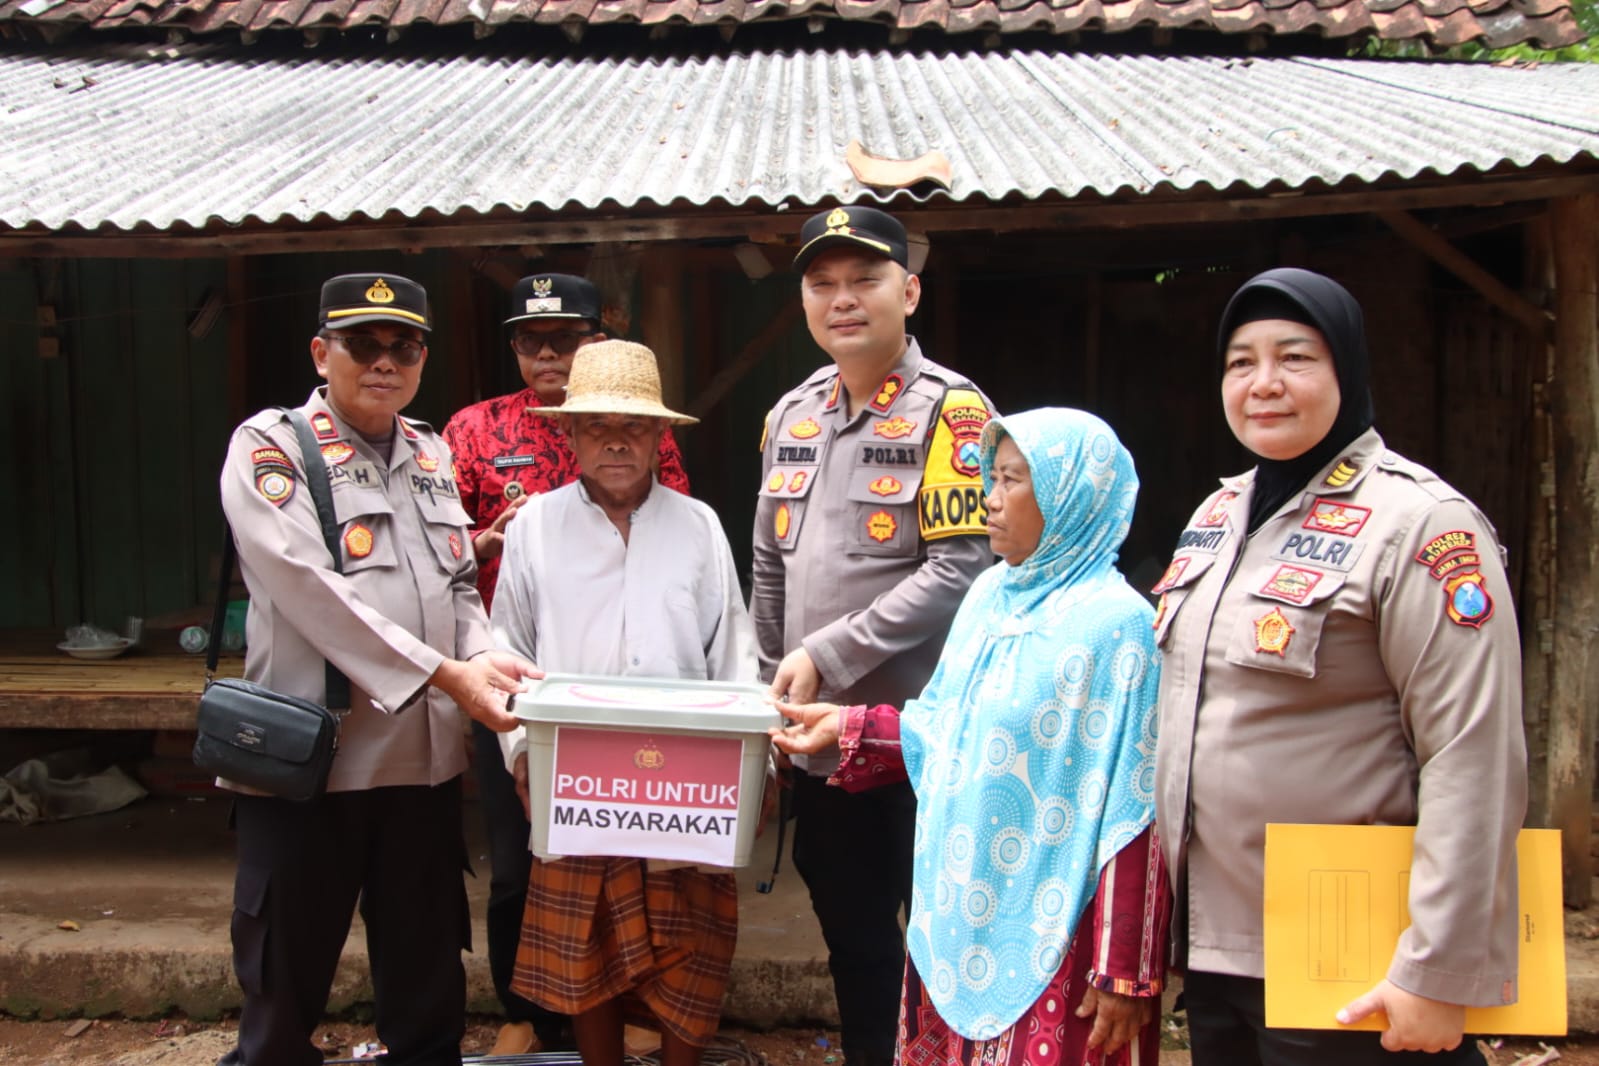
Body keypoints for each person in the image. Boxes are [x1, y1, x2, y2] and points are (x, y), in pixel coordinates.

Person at [1152, 268, 1527, 1064]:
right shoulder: (1217, 513)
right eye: (1240, 362)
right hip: (1217, 945)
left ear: (1346, 369)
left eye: (1294, 357)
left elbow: (1472, 754)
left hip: (1349, 948)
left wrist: (1436, 968)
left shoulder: (1419, 523)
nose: (1263, 383)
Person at [770, 408, 1170, 1066]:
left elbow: (1136, 806)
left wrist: (1124, 969)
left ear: (1069, 497)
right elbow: (948, 731)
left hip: (1057, 924)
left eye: (1013, 480)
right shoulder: (988, 596)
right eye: (993, 477)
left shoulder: (1118, 627)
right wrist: (847, 727)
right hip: (959, 911)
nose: (990, 497)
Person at [215, 273, 540, 1066]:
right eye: (362, 344)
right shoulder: (272, 447)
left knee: (426, 975)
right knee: (283, 979)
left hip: (419, 764)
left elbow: (457, 582)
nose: (384, 361)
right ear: (321, 353)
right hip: (309, 763)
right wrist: (445, 673)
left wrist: (480, 652)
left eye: (405, 346)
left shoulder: (429, 450)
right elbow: (307, 589)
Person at [750, 204, 996, 1066]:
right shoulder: (790, 415)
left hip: (919, 743)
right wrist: (771, 687)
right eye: (822, 285)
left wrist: (825, 654)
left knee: (941, 940)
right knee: (853, 941)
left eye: (864, 280)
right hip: (819, 747)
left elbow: (962, 565)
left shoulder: (952, 412)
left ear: (910, 292)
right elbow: (769, 566)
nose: (842, 300)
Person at [490, 339, 759, 1066]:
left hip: (689, 781)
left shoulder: (698, 524)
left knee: (692, 945)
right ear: (569, 435)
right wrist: (521, 754)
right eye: (597, 426)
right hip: (576, 778)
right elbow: (506, 651)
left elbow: (733, 653)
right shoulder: (535, 527)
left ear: (659, 436)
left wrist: (753, 770)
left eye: (634, 426)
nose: (615, 441)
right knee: (589, 947)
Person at [442, 272, 689, 1055]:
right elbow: (438, 547)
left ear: (595, 341)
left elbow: (672, 527)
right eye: (529, 339)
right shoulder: (472, 428)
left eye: (564, 338)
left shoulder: (644, 426)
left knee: (630, 855)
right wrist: (488, 542)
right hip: (514, 676)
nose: (545, 353)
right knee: (520, 861)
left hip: (627, 682)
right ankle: (524, 1013)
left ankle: (627, 1009)